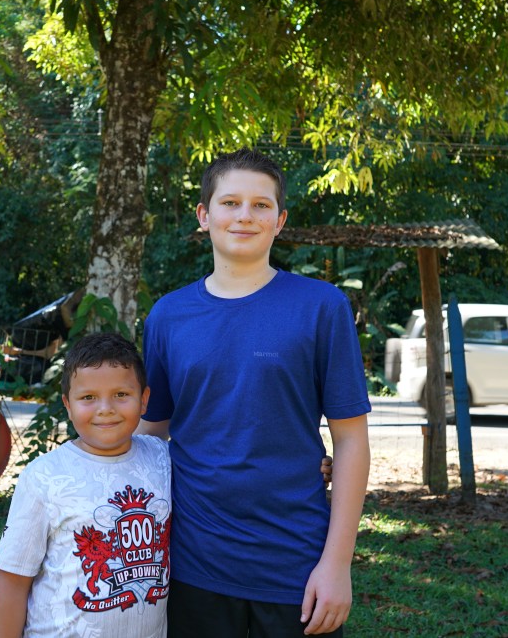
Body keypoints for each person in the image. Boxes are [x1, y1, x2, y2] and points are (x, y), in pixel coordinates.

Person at [138, 148, 371, 637]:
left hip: (296, 562)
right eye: (230, 203)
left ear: (279, 221)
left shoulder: (321, 307)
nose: (245, 215)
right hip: (192, 564)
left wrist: (337, 565)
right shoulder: (168, 316)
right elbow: (150, 433)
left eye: (261, 205)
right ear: (204, 216)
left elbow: (351, 440)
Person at [0, 331, 172, 638]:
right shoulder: (44, 476)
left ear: (144, 400)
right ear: (67, 404)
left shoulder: (162, 458)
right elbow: (13, 580)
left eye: (121, 394)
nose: (105, 408)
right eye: (88, 398)